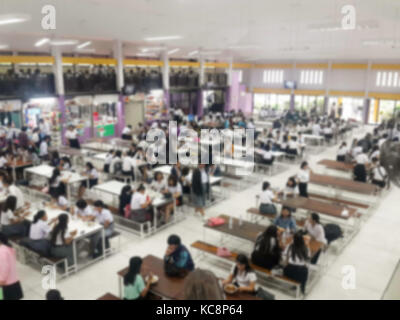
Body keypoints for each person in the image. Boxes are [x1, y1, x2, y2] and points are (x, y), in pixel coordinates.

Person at [282, 231, 310, 295]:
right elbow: (307, 260)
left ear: (293, 239)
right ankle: (303, 289)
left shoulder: (290, 246)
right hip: (300, 273)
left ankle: (295, 285)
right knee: (305, 271)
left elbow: (285, 258)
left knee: (288, 267)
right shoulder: (306, 248)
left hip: (289, 272)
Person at [0, 232, 24, 300]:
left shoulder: (1, 252)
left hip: (6, 285)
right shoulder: (8, 248)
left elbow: (4, 269)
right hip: (14, 281)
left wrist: (1, 282)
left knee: (2, 297)